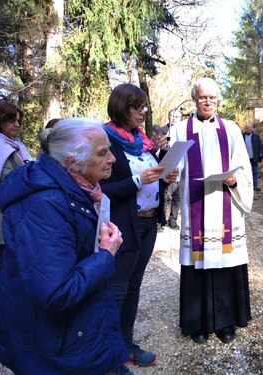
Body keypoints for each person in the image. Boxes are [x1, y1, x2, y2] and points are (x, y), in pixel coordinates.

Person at [0, 118, 129, 374]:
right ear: (72, 162)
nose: (112, 158)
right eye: (103, 153)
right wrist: (105, 255)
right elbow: (56, 291)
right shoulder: (45, 205)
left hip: (72, 329)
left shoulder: (78, 189)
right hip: (54, 346)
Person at [168, 77, 253, 344]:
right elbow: (173, 165)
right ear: (194, 98)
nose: (208, 102)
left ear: (218, 100)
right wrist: (170, 175)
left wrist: (235, 180)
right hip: (195, 207)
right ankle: (198, 324)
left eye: (213, 98)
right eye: (203, 97)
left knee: (225, 262)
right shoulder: (181, 130)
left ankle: (225, 322)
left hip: (224, 202)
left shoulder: (231, 129)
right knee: (197, 263)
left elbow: (243, 166)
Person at [101, 83, 177, 370]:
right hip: (122, 226)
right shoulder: (104, 139)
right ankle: (110, 357)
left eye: (144, 106)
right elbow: (101, 188)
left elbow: (148, 176)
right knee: (117, 291)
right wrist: (138, 180)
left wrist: (163, 175)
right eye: (137, 106)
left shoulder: (141, 140)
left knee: (133, 287)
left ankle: (126, 346)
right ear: (122, 106)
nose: (144, 112)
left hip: (147, 224)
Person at [0, 100, 33, 273]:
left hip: (16, 219)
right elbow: (9, 180)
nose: (17, 125)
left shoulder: (16, 146)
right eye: (11, 120)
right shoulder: (1, 148)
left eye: (19, 121)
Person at [159, 108, 183, 230]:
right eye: (172, 116)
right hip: (167, 167)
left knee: (177, 196)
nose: (173, 118)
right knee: (163, 194)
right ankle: (161, 221)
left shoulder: (184, 130)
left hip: (180, 168)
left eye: (176, 117)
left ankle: (172, 220)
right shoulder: (163, 131)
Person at [243, 122, 263, 191]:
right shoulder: (242, 136)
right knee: (246, 172)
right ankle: (247, 185)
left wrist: (261, 155)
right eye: (247, 128)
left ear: (252, 128)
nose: (248, 129)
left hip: (254, 157)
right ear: (245, 129)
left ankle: (255, 186)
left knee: (255, 171)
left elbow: (260, 146)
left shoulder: (256, 136)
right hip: (245, 158)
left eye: (249, 128)